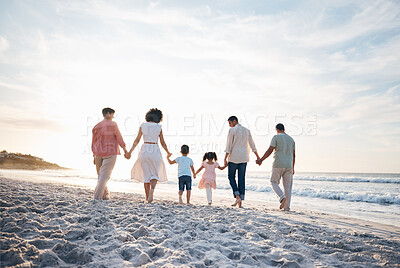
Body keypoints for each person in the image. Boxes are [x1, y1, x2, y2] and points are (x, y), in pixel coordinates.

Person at [125, 108, 172, 203]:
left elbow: (137, 140)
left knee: (146, 176)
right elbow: (163, 143)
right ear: (158, 117)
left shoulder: (143, 125)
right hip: (155, 149)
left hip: (145, 149)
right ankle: (152, 191)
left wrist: (130, 152)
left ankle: (147, 198)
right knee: (154, 174)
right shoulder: (158, 127)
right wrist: (168, 152)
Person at [256, 123, 295, 211]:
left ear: (277, 129)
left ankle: (282, 198)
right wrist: (293, 167)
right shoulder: (291, 139)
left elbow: (270, 150)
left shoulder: (276, 137)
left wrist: (261, 160)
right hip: (289, 165)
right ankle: (287, 207)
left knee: (273, 182)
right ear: (284, 129)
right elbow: (294, 155)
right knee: (287, 186)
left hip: (278, 164)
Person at [92, 107, 128, 200]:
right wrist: (125, 150)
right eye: (112, 114)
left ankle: (104, 195)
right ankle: (97, 197)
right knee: (104, 176)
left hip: (98, 153)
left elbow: (93, 142)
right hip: (110, 152)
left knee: (101, 176)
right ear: (108, 113)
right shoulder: (113, 124)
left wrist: (94, 155)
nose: (113, 117)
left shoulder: (96, 126)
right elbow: (119, 138)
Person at [224, 116, 260, 208]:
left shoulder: (232, 131)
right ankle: (240, 203)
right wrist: (258, 157)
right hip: (244, 158)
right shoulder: (247, 130)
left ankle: (237, 196)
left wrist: (225, 159)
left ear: (234, 121)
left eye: (230, 123)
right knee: (241, 179)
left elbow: (229, 146)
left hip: (234, 158)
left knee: (231, 177)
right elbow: (252, 145)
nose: (229, 125)